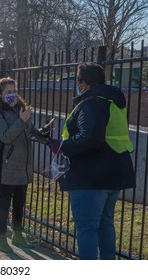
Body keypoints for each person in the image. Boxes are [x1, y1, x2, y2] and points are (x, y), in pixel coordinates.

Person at [47, 62, 135, 259]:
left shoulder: (91, 103)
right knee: (105, 224)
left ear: (84, 83)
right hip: (114, 173)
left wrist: (63, 146)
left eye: (78, 80)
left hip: (92, 176)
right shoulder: (112, 101)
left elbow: (90, 138)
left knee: (87, 228)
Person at [0, 77, 53, 253]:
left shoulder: (19, 109)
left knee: (20, 203)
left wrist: (44, 132)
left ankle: (18, 235)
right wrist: (21, 120)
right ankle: (0, 238)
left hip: (23, 165)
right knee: (4, 203)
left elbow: (30, 132)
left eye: (14, 91)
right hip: (5, 165)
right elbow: (6, 136)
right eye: (8, 92)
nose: (13, 95)